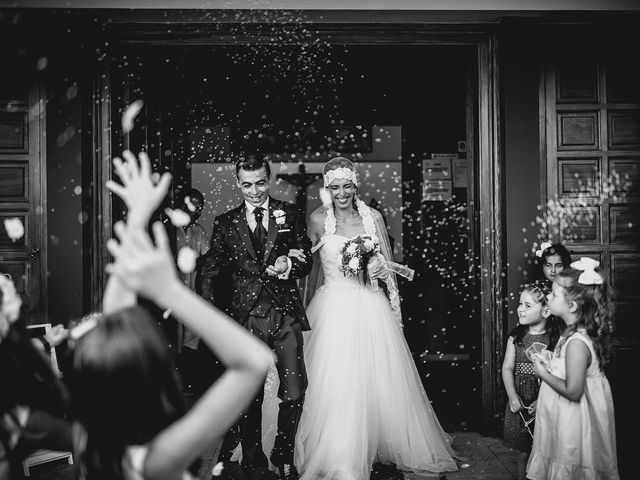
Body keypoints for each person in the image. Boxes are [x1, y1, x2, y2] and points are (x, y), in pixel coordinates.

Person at [65, 150, 273, 480]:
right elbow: (255, 361)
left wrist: (137, 217)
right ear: (158, 376)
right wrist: (170, 291)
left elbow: (114, 326)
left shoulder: (88, 442)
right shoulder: (157, 461)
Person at [292, 157, 459, 480]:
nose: (341, 193)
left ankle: (376, 442)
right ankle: (339, 449)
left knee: (374, 377)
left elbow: (387, 267)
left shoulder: (374, 218)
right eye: (335, 187)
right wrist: (299, 311)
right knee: (337, 377)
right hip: (332, 306)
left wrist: (381, 273)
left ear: (356, 186)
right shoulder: (316, 220)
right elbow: (307, 271)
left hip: (370, 306)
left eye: (347, 186)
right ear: (327, 189)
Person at [198, 154, 313, 480]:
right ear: (238, 182)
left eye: (260, 183)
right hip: (245, 319)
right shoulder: (225, 222)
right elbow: (210, 271)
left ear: (269, 178)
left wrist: (290, 265)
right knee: (250, 394)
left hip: (284, 316)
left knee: (294, 391)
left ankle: (284, 453)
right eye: (246, 184)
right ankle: (252, 461)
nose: (254, 191)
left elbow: (305, 257)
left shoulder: (289, 213)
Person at [527, 258, 619, 479]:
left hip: (574, 423)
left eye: (555, 295)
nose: (549, 296)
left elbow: (574, 391)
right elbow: (568, 368)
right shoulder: (570, 334)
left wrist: (544, 373)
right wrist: (552, 359)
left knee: (569, 464)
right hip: (562, 416)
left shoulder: (577, 342)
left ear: (572, 306)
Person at [501, 281, 560, 480]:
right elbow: (507, 367)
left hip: (543, 397)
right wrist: (512, 395)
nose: (520, 309)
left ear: (546, 311)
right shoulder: (515, 337)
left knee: (547, 450)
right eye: (520, 303)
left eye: (527, 305)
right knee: (523, 452)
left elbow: (557, 374)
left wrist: (542, 400)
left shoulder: (555, 338)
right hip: (521, 397)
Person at [174, 187, 210, 395]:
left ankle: (187, 381)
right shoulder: (169, 229)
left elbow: (206, 258)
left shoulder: (199, 231)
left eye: (200, 206)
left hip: (192, 292)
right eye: (194, 204)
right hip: (173, 293)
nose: (197, 210)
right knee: (172, 336)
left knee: (192, 336)